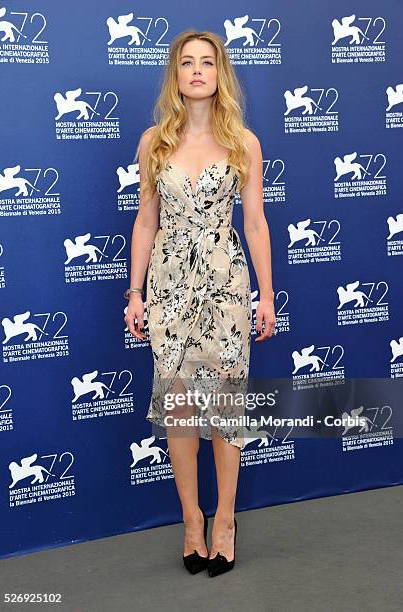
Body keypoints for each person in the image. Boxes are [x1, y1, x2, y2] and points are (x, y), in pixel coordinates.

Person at [125, 30, 276, 577]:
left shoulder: (244, 142)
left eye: (206, 62)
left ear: (220, 74)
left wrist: (266, 293)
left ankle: (226, 521)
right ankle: (191, 521)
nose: (196, 71)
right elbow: (145, 222)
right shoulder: (153, 143)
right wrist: (135, 292)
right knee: (181, 409)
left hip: (226, 287)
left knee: (226, 410)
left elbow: (255, 223)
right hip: (168, 291)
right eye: (186, 62)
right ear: (175, 74)